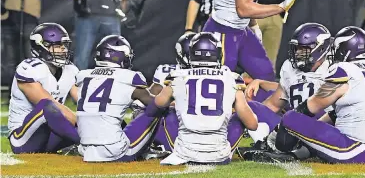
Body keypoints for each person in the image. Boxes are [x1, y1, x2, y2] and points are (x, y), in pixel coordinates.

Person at [270, 27, 365, 163]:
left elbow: (311, 106)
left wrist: (287, 131)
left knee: (291, 118)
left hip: (355, 150)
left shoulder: (344, 70)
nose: (333, 53)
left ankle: (280, 152)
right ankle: (299, 153)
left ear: (344, 50)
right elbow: (334, 114)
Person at [151, 32, 258, 165]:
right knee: (239, 117)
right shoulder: (231, 77)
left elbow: (158, 103)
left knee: (167, 111)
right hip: (219, 155)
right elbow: (252, 124)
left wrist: (178, 101)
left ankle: (172, 148)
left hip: (185, 153)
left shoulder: (178, 75)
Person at [240, 23, 333, 161]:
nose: (297, 53)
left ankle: (291, 150)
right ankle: (269, 144)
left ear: (320, 49)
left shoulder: (334, 69)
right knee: (253, 107)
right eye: (296, 49)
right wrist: (245, 114)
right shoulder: (289, 67)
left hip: (323, 127)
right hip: (293, 128)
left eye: (303, 49)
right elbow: (274, 104)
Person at [76, 35, 159, 162]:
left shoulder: (83, 75)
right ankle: (151, 149)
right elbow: (156, 104)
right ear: (119, 56)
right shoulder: (129, 77)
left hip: (85, 149)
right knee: (157, 109)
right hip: (114, 151)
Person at [8, 23, 80, 154]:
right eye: (58, 45)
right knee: (47, 106)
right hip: (23, 139)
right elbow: (50, 107)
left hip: (51, 136)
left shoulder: (70, 69)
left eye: (64, 45)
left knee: (96, 112)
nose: (63, 49)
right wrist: (83, 128)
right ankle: (83, 142)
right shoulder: (29, 69)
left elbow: (84, 101)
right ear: (41, 47)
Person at [256, 0, 292, 72]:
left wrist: (280, 14)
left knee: (270, 58)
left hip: (274, 15)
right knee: (250, 54)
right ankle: (246, 86)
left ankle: (268, 86)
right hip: (256, 12)